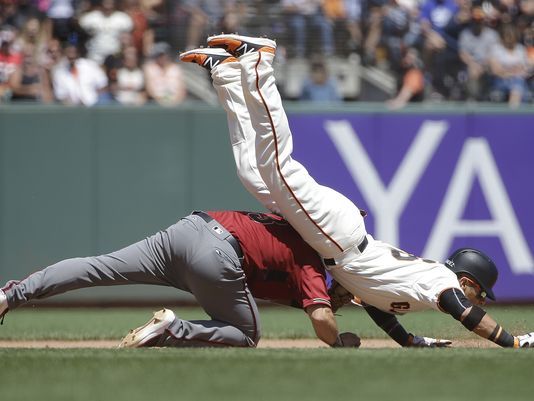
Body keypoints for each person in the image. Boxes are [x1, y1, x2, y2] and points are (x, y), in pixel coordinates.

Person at [180, 34, 534, 349]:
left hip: (340, 238)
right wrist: (512, 341)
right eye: (480, 293)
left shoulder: (411, 288)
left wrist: (410, 341)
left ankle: (225, 73)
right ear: (468, 280)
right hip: (339, 237)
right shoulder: (441, 282)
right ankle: (260, 62)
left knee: (252, 174)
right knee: (277, 165)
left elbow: (380, 309)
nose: (480, 301)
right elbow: (466, 313)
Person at [0, 210, 360, 348]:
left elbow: (284, 282)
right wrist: (339, 341)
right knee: (248, 335)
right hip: (217, 256)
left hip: (189, 230)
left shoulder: (287, 221)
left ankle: (9, 296)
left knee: (99, 266)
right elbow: (321, 319)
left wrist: (324, 298)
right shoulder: (310, 257)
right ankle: (174, 329)